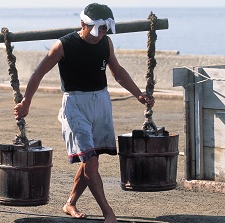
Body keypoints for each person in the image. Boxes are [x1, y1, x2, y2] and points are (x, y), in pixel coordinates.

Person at [14, 3, 155, 223]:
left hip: (101, 103)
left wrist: (139, 94)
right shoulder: (63, 45)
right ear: (83, 24)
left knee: (89, 158)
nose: (100, 35)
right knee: (90, 161)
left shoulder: (106, 43)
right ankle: (108, 212)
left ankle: (70, 202)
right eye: (96, 30)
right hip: (75, 106)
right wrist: (26, 102)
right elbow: (38, 73)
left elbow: (117, 73)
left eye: (105, 30)